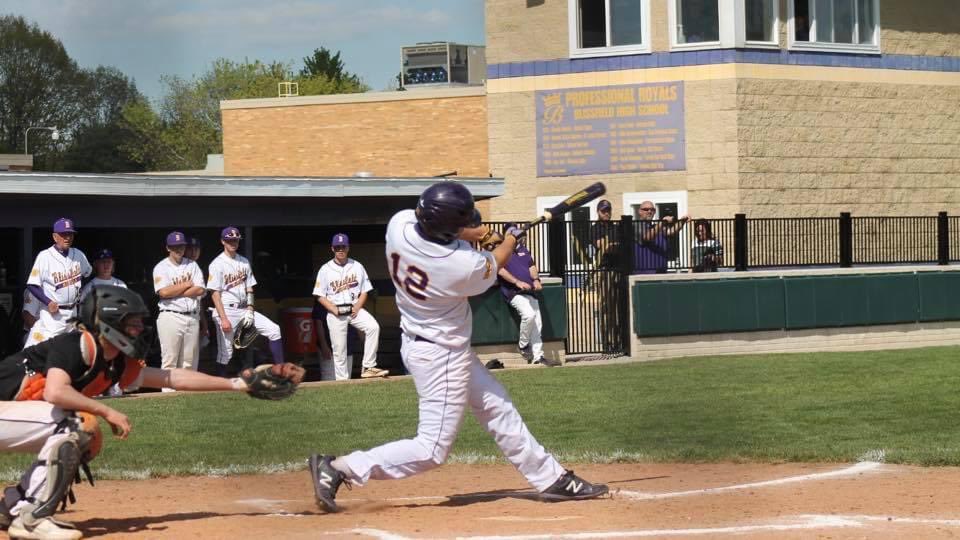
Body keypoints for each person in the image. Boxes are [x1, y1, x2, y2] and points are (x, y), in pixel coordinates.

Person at [307, 181, 607, 514]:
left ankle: (551, 478)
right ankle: (340, 468)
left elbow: (455, 235)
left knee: (498, 406)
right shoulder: (458, 265)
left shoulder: (399, 225)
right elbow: (496, 261)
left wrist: (477, 235)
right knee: (432, 449)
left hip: (426, 342)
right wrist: (509, 239)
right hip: (441, 355)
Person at [0, 285, 297, 540]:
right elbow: (54, 391)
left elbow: (171, 378)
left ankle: (16, 503)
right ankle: (31, 518)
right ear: (107, 323)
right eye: (131, 324)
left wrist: (236, 383)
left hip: (11, 418)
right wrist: (107, 410)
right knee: (78, 426)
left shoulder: (114, 360)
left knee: (86, 433)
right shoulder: (77, 344)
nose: (139, 330)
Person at [208, 226, 284, 373]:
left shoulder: (244, 261)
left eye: (235, 240)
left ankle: (281, 371)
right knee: (226, 354)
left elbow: (249, 287)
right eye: (229, 240)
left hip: (244, 309)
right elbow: (214, 293)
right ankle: (217, 389)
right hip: (226, 309)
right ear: (223, 241)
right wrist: (223, 318)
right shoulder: (217, 264)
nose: (233, 243)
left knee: (274, 330)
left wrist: (250, 309)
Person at [312, 233, 386, 380]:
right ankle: (342, 383)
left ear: (348, 248)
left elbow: (365, 290)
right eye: (337, 247)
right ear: (332, 248)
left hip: (353, 307)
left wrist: (358, 307)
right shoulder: (325, 269)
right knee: (339, 351)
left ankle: (368, 366)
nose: (340, 249)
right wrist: (332, 309)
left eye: (343, 247)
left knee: (373, 327)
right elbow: (319, 295)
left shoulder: (357, 266)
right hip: (335, 311)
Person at [23, 218, 92, 349]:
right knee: (40, 350)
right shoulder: (45, 256)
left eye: (70, 234)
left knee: (71, 352)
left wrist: (79, 291)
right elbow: (32, 284)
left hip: (73, 313)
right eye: (63, 234)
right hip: (53, 316)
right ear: (55, 237)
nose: (67, 237)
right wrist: (48, 302)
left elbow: (87, 273)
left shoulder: (79, 255)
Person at [497, 224, 559, 367]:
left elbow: (531, 266)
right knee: (529, 315)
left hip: (530, 291)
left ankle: (538, 357)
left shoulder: (523, 250)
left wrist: (536, 279)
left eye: (515, 231)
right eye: (511, 231)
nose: (515, 235)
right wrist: (517, 282)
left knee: (537, 324)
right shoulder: (502, 250)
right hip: (514, 292)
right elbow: (499, 269)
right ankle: (523, 345)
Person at [153, 232, 205, 385]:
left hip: (192, 317)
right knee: (170, 361)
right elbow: (163, 292)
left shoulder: (192, 264)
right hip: (171, 316)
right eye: (175, 247)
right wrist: (187, 284)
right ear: (168, 248)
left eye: (181, 246)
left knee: (189, 361)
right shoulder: (161, 267)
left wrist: (175, 291)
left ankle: (187, 394)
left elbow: (200, 290)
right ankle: (167, 396)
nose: (179, 249)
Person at [81, 249, 128, 397]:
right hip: (98, 329)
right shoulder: (90, 287)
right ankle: (97, 388)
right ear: (96, 265)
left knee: (117, 360)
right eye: (103, 262)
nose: (106, 265)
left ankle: (115, 388)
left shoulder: (120, 284)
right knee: (98, 361)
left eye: (109, 262)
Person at [634, 201, 689, 274]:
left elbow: (671, 232)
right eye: (646, 209)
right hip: (644, 274)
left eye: (652, 210)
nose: (649, 211)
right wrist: (663, 222)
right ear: (640, 211)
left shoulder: (656, 227)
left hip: (661, 273)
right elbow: (647, 237)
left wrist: (682, 221)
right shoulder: (636, 225)